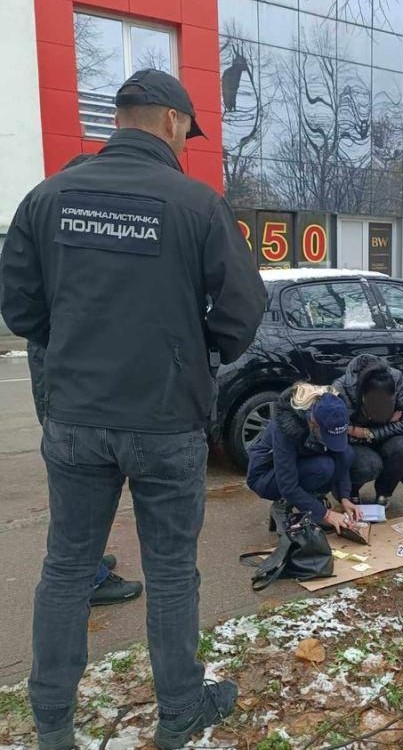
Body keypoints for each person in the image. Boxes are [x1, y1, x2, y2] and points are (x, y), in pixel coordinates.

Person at [0, 69, 266, 750]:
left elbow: (21, 309)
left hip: (76, 420)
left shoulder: (46, 198)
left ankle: (51, 723)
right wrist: (194, 348)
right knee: (172, 569)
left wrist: (72, 348)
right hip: (165, 420)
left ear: (119, 119)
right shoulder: (197, 204)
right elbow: (242, 312)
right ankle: (180, 710)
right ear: (174, 122)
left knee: (65, 567)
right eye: (189, 131)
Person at [26, 154, 143, 608]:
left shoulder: (52, 226)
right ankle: (90, 575)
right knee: (77, 493)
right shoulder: (70, 224)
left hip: (58, 378)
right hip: (68, 390)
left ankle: (90, 560)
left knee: (78, 491)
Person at [247, 384, 362, 534]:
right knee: (323, 467)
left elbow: (340, 453)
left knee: (347, 453)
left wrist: (345, 498)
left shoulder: (334, 411)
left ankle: (313, 502)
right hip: (266, 475)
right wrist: (326, 514)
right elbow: (287, 485)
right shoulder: (286, 427)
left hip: (302, 463)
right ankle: (282, 506)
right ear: (313, 423)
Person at [333, 354, 403, 507]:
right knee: (370, 464)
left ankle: (384, 493)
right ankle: (349, 492)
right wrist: (387, 422)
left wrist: (365, 432)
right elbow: (337, 435)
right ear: (363, 395)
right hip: (355, 447)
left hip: (380, 438)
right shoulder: (340, 389)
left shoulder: (395, 378)